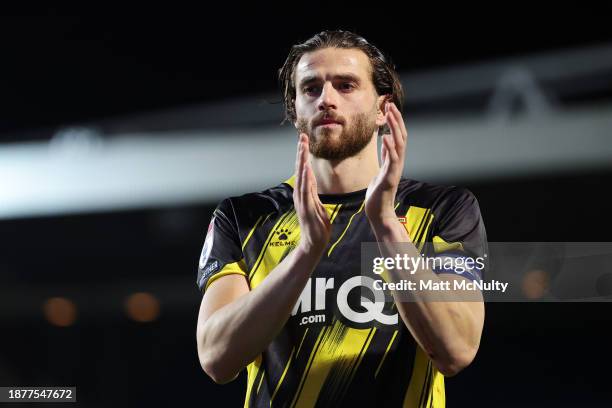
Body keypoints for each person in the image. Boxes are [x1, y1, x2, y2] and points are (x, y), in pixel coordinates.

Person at [195, 30, 487, 407]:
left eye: (346, 85)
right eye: (311, 88)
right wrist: (306, 253)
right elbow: (216, 359)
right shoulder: (243, 217)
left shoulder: (443, 209)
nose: (326, 100)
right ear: (294, 110)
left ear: (383, 108)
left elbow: (456, 349)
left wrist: (383, 222)